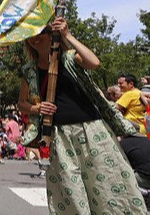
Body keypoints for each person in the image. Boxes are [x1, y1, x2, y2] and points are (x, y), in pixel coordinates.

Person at [17, 17, 144, 214]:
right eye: (30, 36)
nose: (35, 39)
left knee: (107, 184)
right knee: (70, 189)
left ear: (52, 34)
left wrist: (67, 35)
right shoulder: (29, 71)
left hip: (92, 129)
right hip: (59, 136)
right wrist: (37, 108)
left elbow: (94, 62)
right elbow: (22, 103)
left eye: (41, 33)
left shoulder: (69, 57)